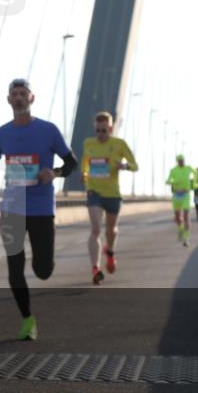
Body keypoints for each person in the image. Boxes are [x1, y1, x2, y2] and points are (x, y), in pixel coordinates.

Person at [0, 79, 77, 340]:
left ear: (31, 98)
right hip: (12, 208)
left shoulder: (48, 130)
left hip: (41, 208)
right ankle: (27, 319)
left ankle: (42, 258)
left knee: (43, 271)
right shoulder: (2, 133)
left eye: (23, 93)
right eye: (15, 94)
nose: (19, 98)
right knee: (15, 268)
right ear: (9, 100)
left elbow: (71, 163)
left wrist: (54, 172)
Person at [80, 111, 137, 284]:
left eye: (104, 131)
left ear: (111, 129)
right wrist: (84, 173)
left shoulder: (119, 144)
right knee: (96, 229)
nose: (100, 135)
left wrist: (124, 166)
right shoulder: (88, 143)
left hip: (112, 194)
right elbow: (85, 161)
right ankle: (95, 269)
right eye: (97, 130)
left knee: (110, 230)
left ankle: (110, 252)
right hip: (94, 192)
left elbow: (135, 166)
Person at [165, 155, 198, 247]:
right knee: (177, 217)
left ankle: (186, 238)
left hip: (186, 194)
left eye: (182, 160)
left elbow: (195, 173)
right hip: (176, 195)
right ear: (177, 161)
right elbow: (169, 179)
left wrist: (194, 183)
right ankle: (180, 229)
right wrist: (172, 182)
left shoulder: (188, 168)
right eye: (179, 160)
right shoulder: (173, 170)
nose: (181, 162)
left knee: (186, 216)